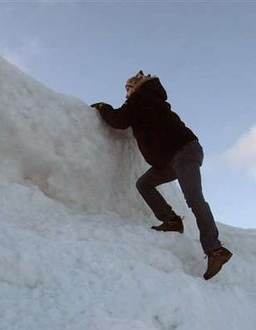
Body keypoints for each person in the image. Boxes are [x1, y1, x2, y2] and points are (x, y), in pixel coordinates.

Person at [92, 71, 233, 280]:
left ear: (137, 86)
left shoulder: (141, 98)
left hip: (183, 152)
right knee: (144, 183)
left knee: (194, 199)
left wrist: (103, 107)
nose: (127, 93)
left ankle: (215, 250)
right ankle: (172, 220)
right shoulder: (150, 100)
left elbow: (120, 120)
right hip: (172, 158)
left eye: (128, 88)